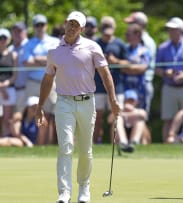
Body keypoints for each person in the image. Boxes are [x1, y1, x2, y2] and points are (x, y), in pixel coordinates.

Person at [35, 11, 121, 203]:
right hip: (64, 102)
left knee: (85, 149)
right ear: (65, 24)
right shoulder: (54, 49)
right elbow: (48, 79)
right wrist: (40, 106)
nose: (73, 27)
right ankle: (64, 193)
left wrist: (113, 100)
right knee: (65, 147)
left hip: (87, 102)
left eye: (77, 25)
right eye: (70, 23)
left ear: (82, 28)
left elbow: (106, 75)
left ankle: (84, 188)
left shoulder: (92, 47)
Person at [20, 14, 60, 145]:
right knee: (32, 115)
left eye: (42, 24)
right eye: (37, 25)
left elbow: (56, 61)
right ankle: (35, 145)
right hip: (33, 83)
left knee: (48, 115)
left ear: (46, 26)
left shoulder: (54, 41)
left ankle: (44, 146)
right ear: (34, 27)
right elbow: (27, 62)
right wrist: (46, 59)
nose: (40, 27)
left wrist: (37, 59)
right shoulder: (29, 43)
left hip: (50, 82)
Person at [93, 16, 129, 144]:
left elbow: (127, 63)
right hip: (97, 87)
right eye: (104, 27)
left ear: (114, 28)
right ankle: (93, 145)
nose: (107, 30)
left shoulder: (120, 44)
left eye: (109, 27)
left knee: (116, 117)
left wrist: (116, 61)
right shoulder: (95, 43)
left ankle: (119, 144)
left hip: (116, 87)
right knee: (96, 118)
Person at [124, 11, 157, 115]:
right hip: (128, 83)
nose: (129, 26)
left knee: (141, 115)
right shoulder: (127, 45)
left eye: (132, 23)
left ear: (140, 25)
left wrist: (126, 66)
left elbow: (143, 66)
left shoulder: (147, 42)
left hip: (143, 83)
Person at [109, 89, 150, 154]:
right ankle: (123, 143)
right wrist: (122, 112)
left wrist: (130, 112)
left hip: (135, 133)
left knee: (140, 122)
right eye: (128, 100)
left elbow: (144, 115)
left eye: (132, 100)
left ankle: (134, 143)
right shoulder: (119, 110)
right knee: (118, 120)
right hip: (120, 135)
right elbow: (109, 120)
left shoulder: (139, 111)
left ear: (136, 102)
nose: (130, 102)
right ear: (124, 101)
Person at [123, 23, 151, 110]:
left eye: (128, 34)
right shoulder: (124, 49)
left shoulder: (144, 51)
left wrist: (127, 67)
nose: (126, 36)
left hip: (140, 88)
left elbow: (143, 68)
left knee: (140, 115)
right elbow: (120, 68)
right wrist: (134, 68)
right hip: (124, 88)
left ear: (138, 35)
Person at [8, 22, 29, 114]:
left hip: (28, 90)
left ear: (25, 32)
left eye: (20, 31)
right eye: (15, 31)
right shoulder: (9, 49)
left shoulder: (30, 46)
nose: (17, 33)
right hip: (11, 91)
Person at [0, 28, 18, 137]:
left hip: (9, 89)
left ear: (8, 39)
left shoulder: (13, 55)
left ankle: (5, 140)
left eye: (4, 38)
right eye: (0, 38)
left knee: (7, 118)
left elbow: (15, 75)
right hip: (2, 89)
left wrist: (5, 85)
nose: (2, 40)